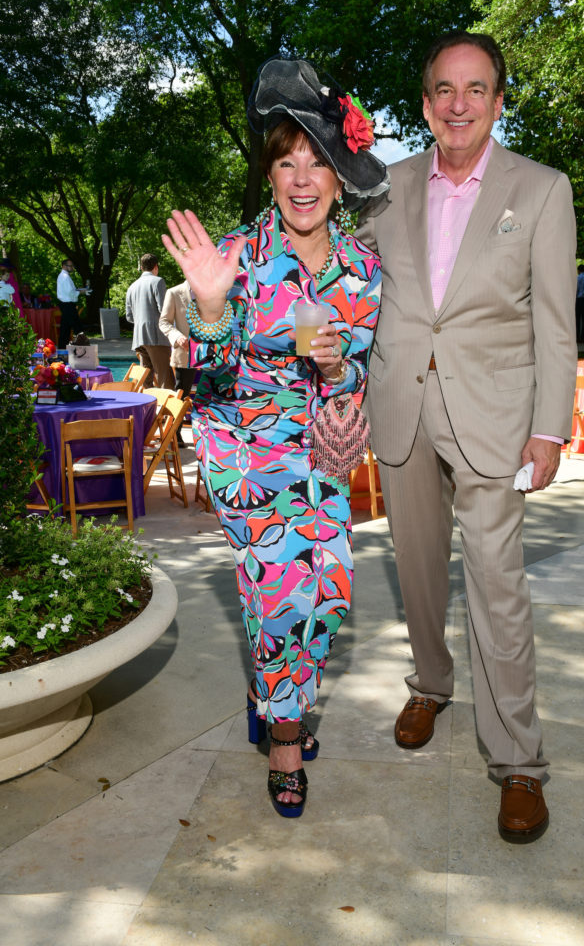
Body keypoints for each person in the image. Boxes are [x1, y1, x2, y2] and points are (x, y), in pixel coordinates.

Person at [356, 30, 576, 842]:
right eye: (443, 90)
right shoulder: (383, 187)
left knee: (497, 586)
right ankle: (431, 682)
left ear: (496, 100)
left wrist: (549, 428)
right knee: (414, 570)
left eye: (474, 89)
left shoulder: (542, 190)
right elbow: (350, 287)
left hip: (494, 417)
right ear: (424, 104)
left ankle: (518, 760)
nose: (457, 104)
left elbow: (556, 323)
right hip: (402, 408)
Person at [161, 56, 385, 818]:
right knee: (286, 589)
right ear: (270, 173)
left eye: (315, 161)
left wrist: (341, 380)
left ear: (338, 175)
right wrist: (212, 308)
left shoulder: (362, 270)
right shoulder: (234, 255)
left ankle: (270, 693)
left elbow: (355, 377)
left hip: (319, 456)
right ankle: (286, 739)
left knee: (330, 593)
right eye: (285, 161)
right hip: (246, 452)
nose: (299, 178)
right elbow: (208, 362)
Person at [125, 253, 173, 389]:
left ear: (141, 267)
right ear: (156, 266)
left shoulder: (132, 287)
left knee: (146, 377)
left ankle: (147, 406)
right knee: (164, 374)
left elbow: (129, 317)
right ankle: (169, 408)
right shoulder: (158, 282)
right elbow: (164, 309)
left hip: (139, 337)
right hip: (156, 335)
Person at [159, 278, 196, 444]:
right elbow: (164, 321)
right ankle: (175, 433)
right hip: (185, 353)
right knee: (181, 394)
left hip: (211, 354)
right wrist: (177, 336)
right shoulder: (174, 292)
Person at [56, 259, 84, 347]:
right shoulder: (65, 277)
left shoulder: (63, 276)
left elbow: (69, 291)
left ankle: (62, 347)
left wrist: (77, 290)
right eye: (70, 266)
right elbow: (70, 292)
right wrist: (80, 292)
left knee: (65, 328)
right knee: (77, 327)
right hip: (68, 304)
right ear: (64, 266)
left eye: (72, 266)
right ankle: (84, 346)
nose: (72, 268)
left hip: (65, 304)